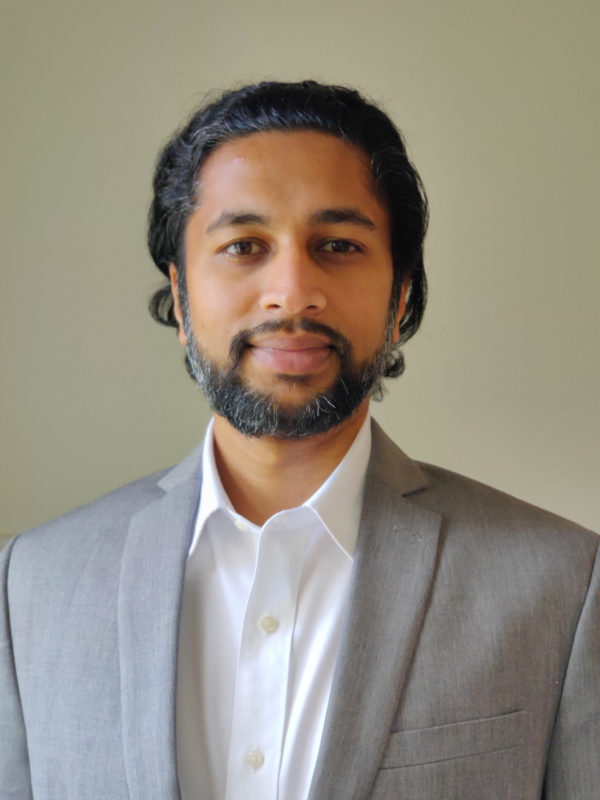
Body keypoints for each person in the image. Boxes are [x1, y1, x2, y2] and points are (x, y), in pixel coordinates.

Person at [1, 80, 598, 800]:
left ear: (400, 297)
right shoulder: (32, 585)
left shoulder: (562, 587)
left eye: (338, 246)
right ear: (181, 298)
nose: (291, 291)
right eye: (243, 246)